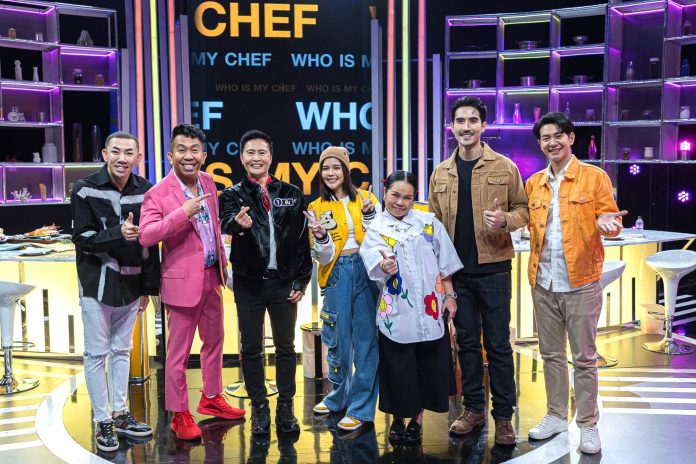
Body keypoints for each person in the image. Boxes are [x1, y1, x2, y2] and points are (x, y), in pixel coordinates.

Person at [428, 96, 529, 444]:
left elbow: (523, 210)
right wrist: (441, 277)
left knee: (498, 346)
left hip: (494, 270)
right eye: (460, 121)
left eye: (473, 120)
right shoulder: (441, 173)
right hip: (458, 274)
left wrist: (505, 220)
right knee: (467, 344)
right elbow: (434, 226)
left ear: (484, 126)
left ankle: (504, 418)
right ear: (452, 126)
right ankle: (473, 410)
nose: (466, 127)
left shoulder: (505, 167)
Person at [525, 112, 627, 455]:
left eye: (558, 136)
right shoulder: (534, 182)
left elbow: (609, 219)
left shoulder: (594, 177)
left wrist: (608, 225)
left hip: (581, 281)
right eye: (545, 138)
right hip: (542, 281)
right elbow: (529, 223)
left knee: (584, 358)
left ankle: (587, 423)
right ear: (540, 144)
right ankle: (556, 415)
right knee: (551, 355)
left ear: (570, 138)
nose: (552, 143)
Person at [139, 124, 245, 441]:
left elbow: (213, 226)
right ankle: (179, 413)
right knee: (178, 354)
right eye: (182, 149)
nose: (189, 155)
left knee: (214, 343)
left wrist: (224, 264)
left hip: (212, 276)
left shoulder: (208, 181)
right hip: (181, 284)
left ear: (204, 154)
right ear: (170, 155)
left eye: (194, 149)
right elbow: (146, 236)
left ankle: (211, 397)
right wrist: (181, 213)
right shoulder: (157, 193)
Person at [218, 130, 312, 435]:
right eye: (250, 152)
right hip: (249, 284)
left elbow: (302, 240)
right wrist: (237, 224)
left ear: (270, 157)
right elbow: (226, 223)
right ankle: (259, 407)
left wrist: (301, 279)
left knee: (286, 348)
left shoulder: (291, 192)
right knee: (251, 348)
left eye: (262, 152)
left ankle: (285, 406)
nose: (256, 158)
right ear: (241, 157)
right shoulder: (230, 195)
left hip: (284, 283)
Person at [71, 131, 160, 452]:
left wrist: (148, 288)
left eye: (129, 153)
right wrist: (118, 234)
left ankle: (121, 415)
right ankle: (102, 420)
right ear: (104, 154)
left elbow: (151, 243)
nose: (122, 158)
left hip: (132, 285)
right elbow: (83, 239)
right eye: (116, 152)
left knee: (122, 351)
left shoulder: (147, 190)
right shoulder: (84, 188)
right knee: (96, 354)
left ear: (138, 158)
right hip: (96, 285)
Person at [360, 170, 463, 443]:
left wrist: (450, 296)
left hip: (430, 310)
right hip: (396, 312)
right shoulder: (375, 228)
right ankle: (397, 419)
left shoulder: (428, 223)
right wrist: (385, 265)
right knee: (398, 369)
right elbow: (373, 262)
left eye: (407, 197)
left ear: (414, 198)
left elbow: (445, 263)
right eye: (395, 195)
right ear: (385, 193)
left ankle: (417, 421)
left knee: (425, 367)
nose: (400, 202)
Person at [305, 146, 380, 432]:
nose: (331, 173)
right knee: (337, 338)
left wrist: (370, 216)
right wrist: (321, 237)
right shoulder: (316, 207)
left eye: (336, 167)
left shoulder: (366, 198)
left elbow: (377, 238)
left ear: (346, 171)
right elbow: (323, 257)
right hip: (336, 273)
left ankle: (361, 408)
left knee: (366, 341)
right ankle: (338, 396)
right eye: (325, 168)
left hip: (366, 270)